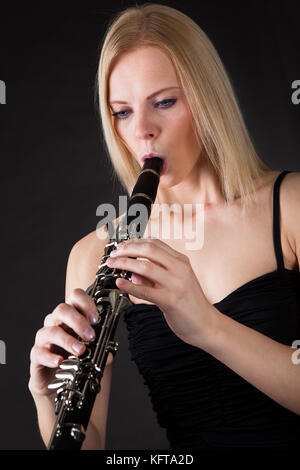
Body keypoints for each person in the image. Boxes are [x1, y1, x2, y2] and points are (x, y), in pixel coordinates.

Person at [28, 3, 300, 450]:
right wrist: (48, 402)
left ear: (207, 97)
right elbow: (88, 443)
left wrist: (208, 326)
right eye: (122, 112)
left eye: (165, 102)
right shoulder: (93, 254)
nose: (143, 133)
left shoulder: (288, 206)